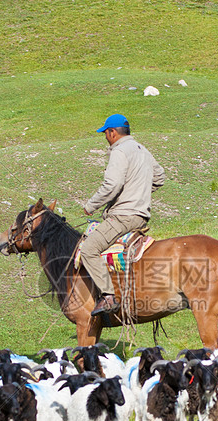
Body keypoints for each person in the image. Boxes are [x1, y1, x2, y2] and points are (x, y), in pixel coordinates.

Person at [81, 114, 166, 316]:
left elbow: (112, 184)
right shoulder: (142, 149)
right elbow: (160, 177)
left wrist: (91, 205)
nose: (105, 137)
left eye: (105, 133)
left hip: (122, 217)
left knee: (88, 250)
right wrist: (139, 193)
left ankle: (108, 296)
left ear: (112, 132)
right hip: (141, 215)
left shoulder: (119, 151)